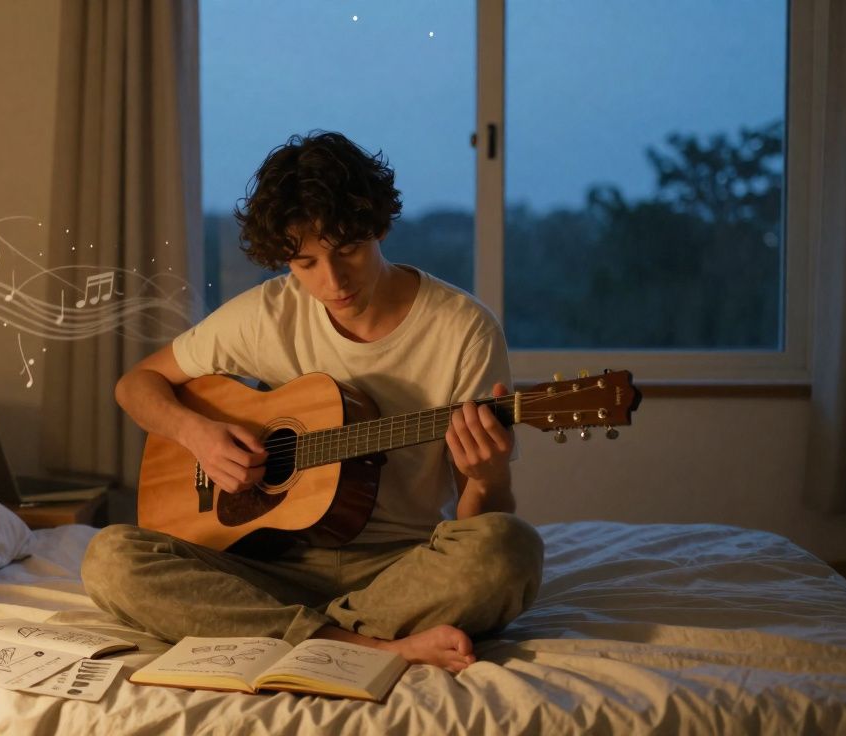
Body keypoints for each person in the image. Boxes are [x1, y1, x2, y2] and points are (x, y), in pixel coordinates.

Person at [81, 131, 543, 672]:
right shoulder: (265, 316)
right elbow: (136, 385)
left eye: (348, 249)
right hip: (267, 565)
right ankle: (364, 645)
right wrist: (197, 434)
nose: (332, 280)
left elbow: (479, 520)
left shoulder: (463, 329)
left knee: (508, 550)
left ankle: (283, 630)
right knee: (109, 559)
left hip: (401, 570)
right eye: (305, 264)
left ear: (379, 226)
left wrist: (488, 479)